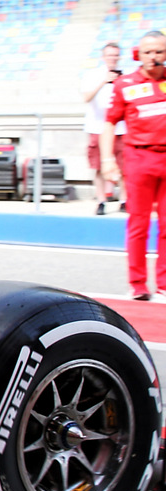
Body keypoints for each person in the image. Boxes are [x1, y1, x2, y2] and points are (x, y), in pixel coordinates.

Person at [102, 30, 166, 300]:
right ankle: (138, 284)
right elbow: (109, 123)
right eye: (149, 52)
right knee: (138, 224)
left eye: (159, 52)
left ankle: (163, 283)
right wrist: (107, 161)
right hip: (139, 158)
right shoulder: (125, 84)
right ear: (139, 54)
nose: (154, 57)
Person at [81, 41, 127, 214]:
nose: (113, 59)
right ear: (103, 57)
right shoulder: (92, 75)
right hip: (97, 127)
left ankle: (124, 200)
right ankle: (101, 201)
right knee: (99, 167)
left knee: (124, 167)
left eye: (115, 55)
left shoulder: (125, 76)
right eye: (109, 55)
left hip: (121, 128)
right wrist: (104, 81)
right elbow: (86, 97)